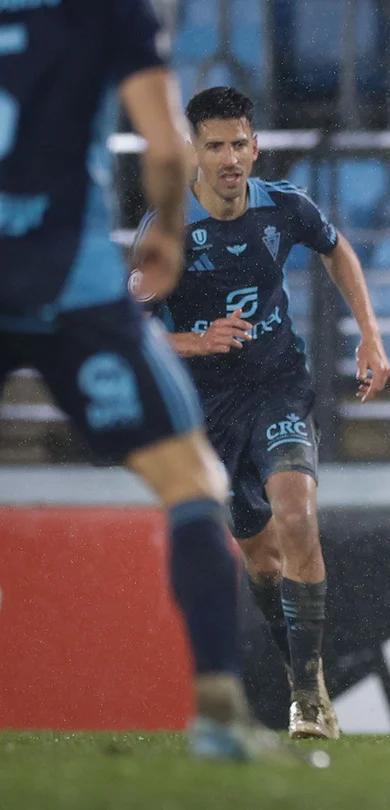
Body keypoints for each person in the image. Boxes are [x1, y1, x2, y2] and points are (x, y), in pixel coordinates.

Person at [0, 0, 277, 760]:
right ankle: (218, 713)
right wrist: (161, 226)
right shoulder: (110, 12)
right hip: (74, 285)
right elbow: (163, 150)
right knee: (191, 480)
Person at [132, 87, 390, 740]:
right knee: (261, 560)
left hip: (279, 388)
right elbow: (124, 330)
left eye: (238, 143)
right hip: (207, 412)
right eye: (213, 144)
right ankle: (298, 675)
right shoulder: (166, 232)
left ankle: (309, 696)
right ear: (195, 149)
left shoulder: (284, 207)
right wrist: (194, 340)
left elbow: (337, 249)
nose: (228, 157)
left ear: (255, 146)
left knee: (297, 512)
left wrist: (370, 334)